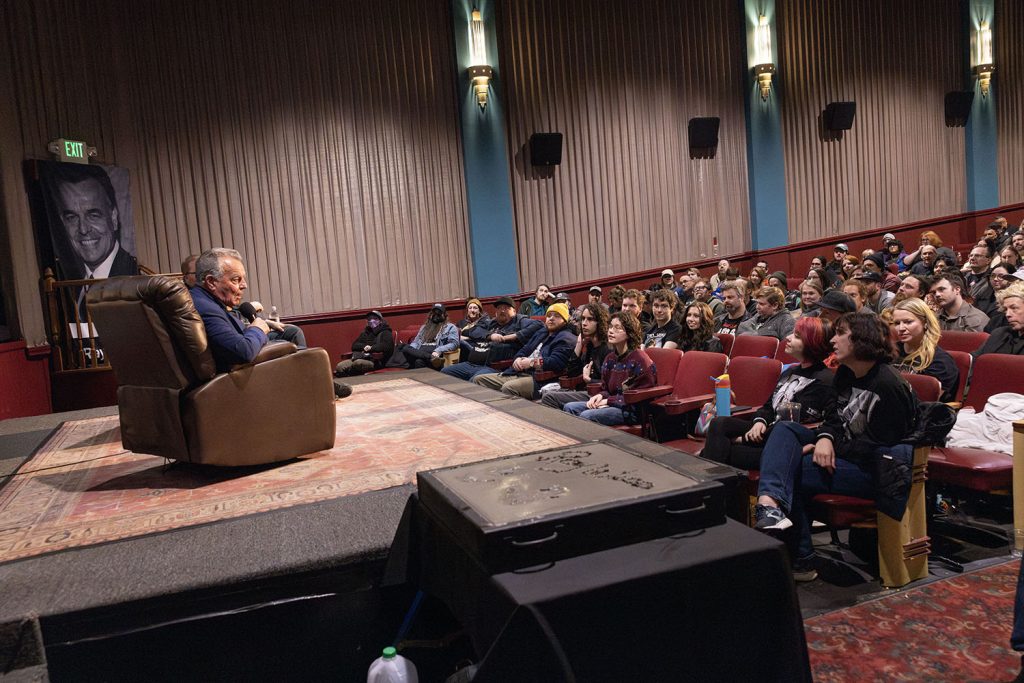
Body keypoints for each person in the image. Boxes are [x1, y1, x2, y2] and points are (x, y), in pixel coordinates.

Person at [753, 313, 918, 581]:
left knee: (791, 469)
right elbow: (832, 418)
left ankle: (802, 559)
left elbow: (882, 444)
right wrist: (825, 438)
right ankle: (769, 505)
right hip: (843, 452)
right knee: (784, 429)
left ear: (860, 340)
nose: (833, 339)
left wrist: (830, 445)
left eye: (840, 333)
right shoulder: (845, 373)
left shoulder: (889, 385)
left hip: (873, 468)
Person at [702, 317, 836, 469]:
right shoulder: (791, 371)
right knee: (719, 423)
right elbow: (767, 406)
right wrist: (760, 421)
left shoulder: (822, 381)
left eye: (797, 336)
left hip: (783, 438)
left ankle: (712, 485)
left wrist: (742, 439)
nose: (788, 338)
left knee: (718, 451)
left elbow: (790, 424)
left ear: (813, 343)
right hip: (767, 431)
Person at [563, 312, 656, 426]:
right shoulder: (610, 358)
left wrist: (608, 401)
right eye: (610, 327)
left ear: (629, 333)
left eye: (617, 328)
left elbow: (639, 396)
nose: (611, 331)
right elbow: (606, 388)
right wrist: (600, 396)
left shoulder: (640, 360)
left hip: (631, 410)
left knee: (586, 416)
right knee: (570, 407)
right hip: (612, 403)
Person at [48, 163, 138, 280]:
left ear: (114, 217)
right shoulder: (70, 286)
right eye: (72, 217)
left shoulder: (135, 278)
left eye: (93, 215)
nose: (83, 229)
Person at [473, 303, 576, 399]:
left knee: (508, 387)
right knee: (479, 380)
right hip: (518, 372)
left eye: (557, 316)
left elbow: (556, 363)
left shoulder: (566, 338)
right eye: (549, 315)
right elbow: (525, 349)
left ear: (565, 320)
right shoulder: (542, 332)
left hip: (539, 379)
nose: (551, 318)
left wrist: (531, 363)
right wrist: (517, 359)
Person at [442, 297, 544, 381]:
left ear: (514, 311)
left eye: (506, 308)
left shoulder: (519, 320)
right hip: (472, 363)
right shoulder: (491, 323)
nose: (502, 310)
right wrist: (490, 336)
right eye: (499, 308)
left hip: (493, 367)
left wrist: (512, 336)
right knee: (444, 372)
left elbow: (539, 325)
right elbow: (471, 331)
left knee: (475, 380)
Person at [540, 303, 610, 411]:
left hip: (599, 395)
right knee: (548, 394)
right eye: (583, 319)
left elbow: (610, 386)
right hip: (587, 391)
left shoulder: (607, 349)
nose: (584, 323)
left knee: (549, 398)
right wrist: (578, 345)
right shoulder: (590, 346)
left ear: (600, 323)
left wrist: (589, 380)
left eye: (590, 319)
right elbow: (572, 373)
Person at [891, 298, 960, 402]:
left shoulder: (940, 361)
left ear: (925, 323)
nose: (901, 328)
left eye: (908, 322)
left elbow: (927, 401)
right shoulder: (890, 351)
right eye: (897, 323)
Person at [391, 304, 460, 369]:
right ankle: (430, 357)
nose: (436, 315)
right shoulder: (424, 328)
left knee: (417, 360)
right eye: (434, 312)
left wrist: (438, 350)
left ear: (444, 315)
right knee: (405, 348)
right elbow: (416, 342)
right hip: (421, 351)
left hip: (434, 351)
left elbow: (454, 344)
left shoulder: (450, 327)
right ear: (430, 314)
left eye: (439, 313)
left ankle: (432, 357)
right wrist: (412, 349)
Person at [335, 310, 394, 376]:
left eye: (375, 319)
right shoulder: (366, 333)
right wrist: (364, 347)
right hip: (362, 357)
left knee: (358, 363)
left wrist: (371, 348)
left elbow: (387, 346)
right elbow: (354, 345)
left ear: (380, 320)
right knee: (340, 366)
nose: (372, 321)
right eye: (369, 319)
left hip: (377, 361)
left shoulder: (386, 332)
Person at [974, 282, 1024, 357]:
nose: (1007, 314)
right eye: (1005, 309)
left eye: (1014, 308)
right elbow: (974, 359)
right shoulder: (999, 334)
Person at [962, 243, 996, 315]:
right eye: (971, 255)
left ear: (988, 260)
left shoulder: (993, 279)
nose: (972, 258)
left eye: (977, 256)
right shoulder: (963, 278)